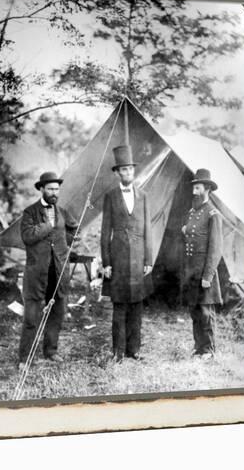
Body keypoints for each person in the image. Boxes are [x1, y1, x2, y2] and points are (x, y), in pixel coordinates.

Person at [18, 171, 79, 368]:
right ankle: (25, 357)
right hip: (37, 273)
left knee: (57, 311)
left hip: (58, 271)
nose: (54, 192)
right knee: (32, 315)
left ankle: (50, 350)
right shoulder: (29, 212)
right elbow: (27, 236)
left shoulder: (62, 211)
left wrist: (67, 242)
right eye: (51, 189)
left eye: (57, 189)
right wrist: (48, 225)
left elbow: (68, 232)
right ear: (42, 189)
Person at [100, 145, 153, 362]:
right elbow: (105, 232)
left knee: (137, 308)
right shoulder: (111, 196)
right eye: (123, 170)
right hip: (119, 259)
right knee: (120, 307)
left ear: (134, 171)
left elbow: (149, 229)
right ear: (117, 173)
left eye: (130, 169)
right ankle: (118, 352)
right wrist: (106, 262)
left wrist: (149, 259)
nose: (127, 173)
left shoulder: (144, 196)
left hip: (139, 260)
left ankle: (134, 350)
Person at [181, 168, 223, 360]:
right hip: (191, 271)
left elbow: (216, 249)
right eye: (193, 188)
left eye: (197, 188)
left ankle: (209, 350)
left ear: (206, 189)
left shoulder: (213, 214)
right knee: (194, 310)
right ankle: (199, 347)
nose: (193, 192)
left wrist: (208, 276)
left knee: (206, 312)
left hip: (204, 272)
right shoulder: (191, 212)